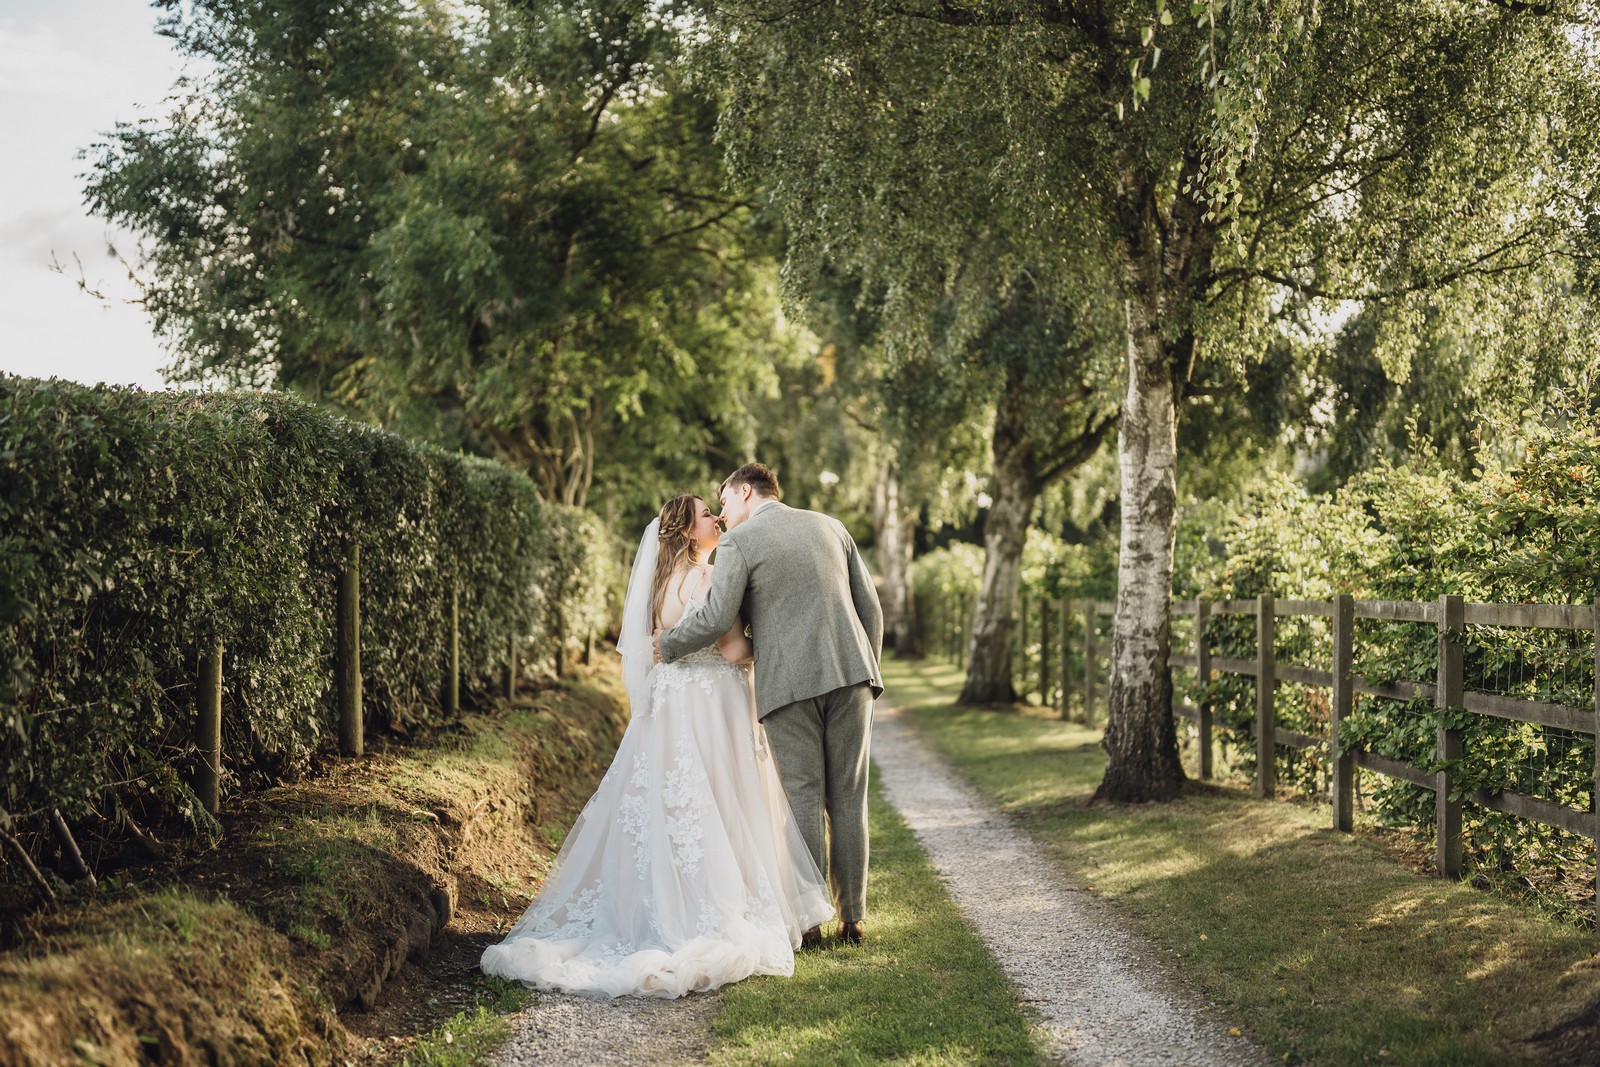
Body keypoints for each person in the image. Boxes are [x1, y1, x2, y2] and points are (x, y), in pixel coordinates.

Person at [480, 494, 834, 999]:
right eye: (706, 515)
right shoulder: (709, 578)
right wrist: (774, 649)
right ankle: (715, 903)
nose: (716, 516)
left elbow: (651, 644)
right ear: (690, 533)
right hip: (713, 703)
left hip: (669, 703)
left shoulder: (655, 584)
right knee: (723, 799)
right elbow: (732, 649)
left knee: (670, 804)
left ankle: (657, 905)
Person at [655, 463, 883, 947]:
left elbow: (717, 616)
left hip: (788, 685)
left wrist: (669, 643)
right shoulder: (832, 527)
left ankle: (810, 919)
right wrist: (868, 671)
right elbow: (871, 610)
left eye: (724, 502)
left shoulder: (740, 542)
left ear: (744, 491)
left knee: (801, 795)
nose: (721, 514)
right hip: (853, 677)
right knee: (848, 795)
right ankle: (853, 918)